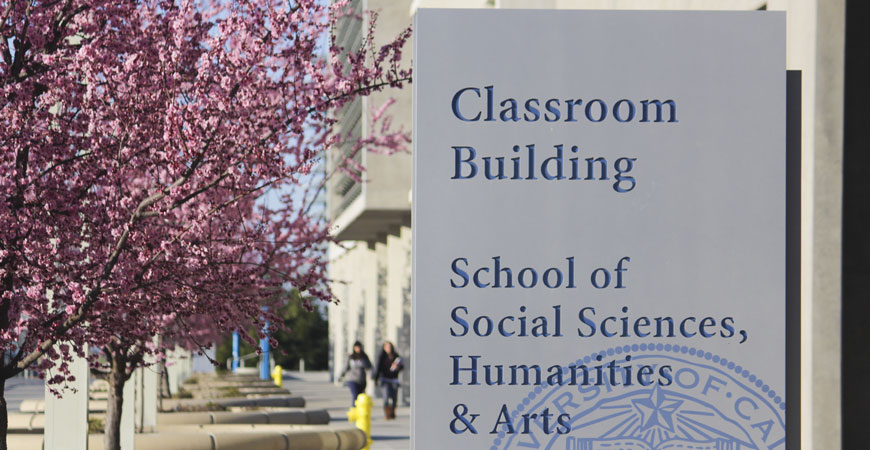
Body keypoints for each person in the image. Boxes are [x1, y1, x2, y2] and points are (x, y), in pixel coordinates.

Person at [373, 341, 404, 420]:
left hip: (394, 380)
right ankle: (387, 414)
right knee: (386, 397)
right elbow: (378, 368)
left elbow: (402, 367)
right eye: (387, 347)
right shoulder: (382, 357)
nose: (388, 349)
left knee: (394, 398)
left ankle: (392, 412)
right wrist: (376, 379)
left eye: (390, 347)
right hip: (385, 379)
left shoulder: (396, 356)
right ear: (384, 348)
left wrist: (397, 367)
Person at [340, 341, 372, 406]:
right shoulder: (351, 357)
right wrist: (341, 375)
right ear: (354, 348)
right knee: (355, 395)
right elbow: (346, 367)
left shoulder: (364, 357)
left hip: (362, 380)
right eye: (356, 348)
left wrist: (372, 374)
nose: (358, 349)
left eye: (359, 347)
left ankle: (360, 411)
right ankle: (354, 410)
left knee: (360, 396)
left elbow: (369, 367)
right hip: (352, 379)